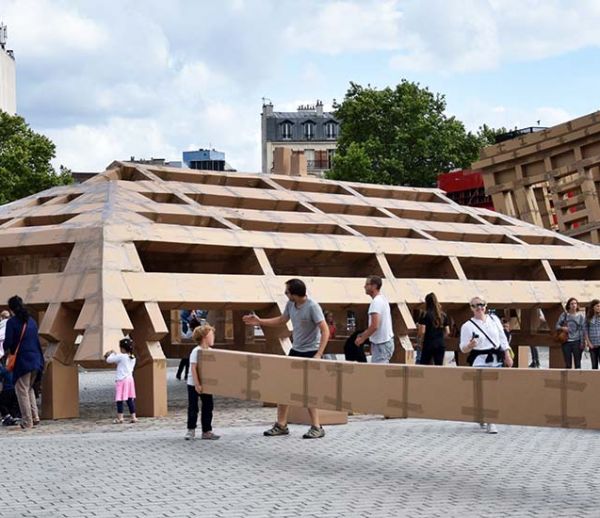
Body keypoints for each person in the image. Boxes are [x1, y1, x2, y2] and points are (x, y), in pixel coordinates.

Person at [242, 278, 330, 439]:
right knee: (284, 387)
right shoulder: (291, 305)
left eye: (287, 292)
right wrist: (260, 321)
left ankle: (317, 427)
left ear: (295, 294)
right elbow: (282, 320)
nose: (285, 294)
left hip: (311, 353)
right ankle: (281, 425)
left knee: (308, 391)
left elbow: (325, 331)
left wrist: (318, 354)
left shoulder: (312, 307)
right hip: (295, 350)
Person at [460, 296, 513, 434]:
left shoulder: (494, 320)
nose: (479, 308)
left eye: (482, 304)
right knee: (482, 391)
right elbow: (462, 348)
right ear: (471, 308)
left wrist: (507, 354)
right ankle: (484, 415)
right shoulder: (467, 326)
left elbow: (502, 338)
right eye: (476, 305)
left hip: (496, 359)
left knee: (493, 390)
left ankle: (491, 420)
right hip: (479, 360)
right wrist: (470, 345)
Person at [3, 296, 44, 430]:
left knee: (21, 390)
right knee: (28, 388)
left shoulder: (12, 322)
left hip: (23, 361)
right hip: (36, 359)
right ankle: (35, 416)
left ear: (11, 309)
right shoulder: (31, 321)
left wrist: (8, 351)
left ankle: (27, 422)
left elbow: (8, 342)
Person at [185, 323, 220, 441]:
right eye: (211, 335)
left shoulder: (211, 351)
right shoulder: (196, 351)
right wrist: (197, 384)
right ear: (205, 337)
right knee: (193, 407)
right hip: (193, 383)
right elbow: (193, 368)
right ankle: (191, 429)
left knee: (208, 406)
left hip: (207, 384)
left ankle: (207, 430)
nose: (213, 337)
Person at [355, 275, 394, 363]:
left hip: (381, 345)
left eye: (367, 284)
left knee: (378, 374)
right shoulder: (382, 299)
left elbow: (374, 325)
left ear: (374, 286)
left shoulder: (376, 302)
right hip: (384, 343)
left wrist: (362, 339)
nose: (364, 286)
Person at [104, 337, 138, 424]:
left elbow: (109, 360)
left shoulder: (121, 356)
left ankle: (120, 418)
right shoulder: (133, 357)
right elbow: (121, 362)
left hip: (121, 380)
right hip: (130, 379)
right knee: (130, 399)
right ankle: (133, 417)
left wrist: (111, 353)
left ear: (122, 348)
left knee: (119, 399)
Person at [417, 293, 450, 366]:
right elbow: (448, 332)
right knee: (439, 366)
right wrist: (440, 337)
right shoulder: (443, 315)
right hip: (440, 344)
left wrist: (420, 341)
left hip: (428, 343)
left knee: (424, 366)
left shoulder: (424, 314)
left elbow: (422, 331)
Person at [556, 297, 585, 369]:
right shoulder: (564, 315)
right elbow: (557, 326)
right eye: (572, 304)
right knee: (568, 364)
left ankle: (577, 379)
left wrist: (582, 343)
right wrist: (563, 328)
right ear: (569, 305)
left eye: (575, 303)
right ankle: (568, 379)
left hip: (577, 341)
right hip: (566, 341)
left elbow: (582, 330)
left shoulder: (581, 316)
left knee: (577, 364)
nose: (574, 305)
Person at [0, 361, 20, 425]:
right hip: (15, 389)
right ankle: (13, 416)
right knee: (12, 404)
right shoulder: (16, 370)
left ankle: (7, 416)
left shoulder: (5, 370)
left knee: (2, 404)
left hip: (7, 389)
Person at [585, 299, 600, 370]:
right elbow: (585, 331)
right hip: (592, 345)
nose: (599, 308)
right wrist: (589, 343)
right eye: (597, 306)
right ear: (593, 307)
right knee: (594, 366)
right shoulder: (588, 318)